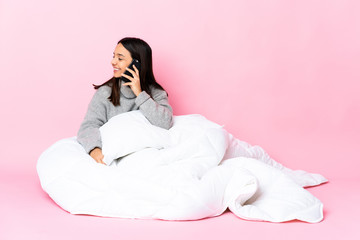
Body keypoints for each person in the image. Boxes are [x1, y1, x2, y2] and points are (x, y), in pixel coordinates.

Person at [77, 37, 173, 165]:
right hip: (116, 158)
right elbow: (88, 126)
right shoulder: (105, 93)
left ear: (137, 64)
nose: (113, 61)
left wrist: (139, 94)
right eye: (114, 56)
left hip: (147, 157)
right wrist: (94, 149)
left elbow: (165, 123)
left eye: (120, 58)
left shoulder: (156, 92)